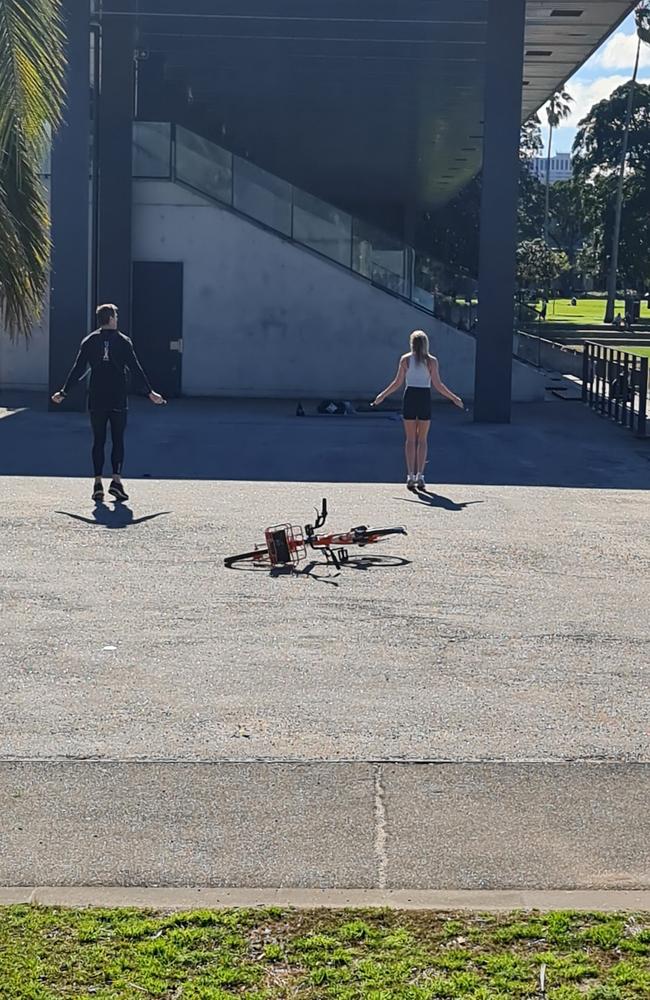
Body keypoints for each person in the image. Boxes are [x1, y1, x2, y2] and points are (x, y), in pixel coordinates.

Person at [51, 303, 166, 502]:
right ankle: (116, 481)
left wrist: (64, 391)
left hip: (97, 397)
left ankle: (97, 484)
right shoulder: (123, 341)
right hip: (117, 397)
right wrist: (150, 392)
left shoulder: (89, 341)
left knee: (98, 440)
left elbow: (77, 369)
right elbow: (135, 369)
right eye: (116, 316)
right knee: (118, 440)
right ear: (111, 318)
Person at [372, 330, 464, 491]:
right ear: (426, 343)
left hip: (410, 397)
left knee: (410, 439)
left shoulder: (405, 360)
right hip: (423, 397)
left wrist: (382, 395)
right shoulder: (432, 361)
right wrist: (454, 398)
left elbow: (397, 382)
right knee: (422, 440)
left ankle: (410, 475)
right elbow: (438, 384)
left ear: (412, 343)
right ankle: (420, 475)